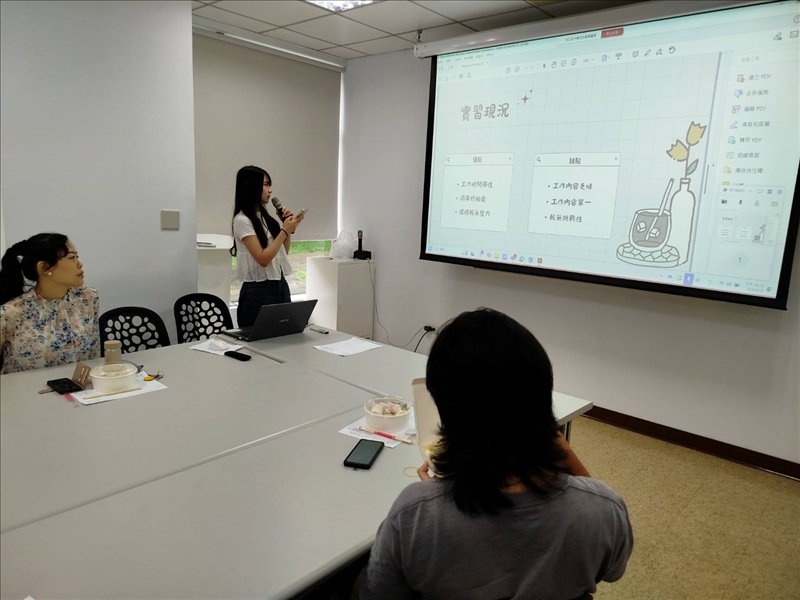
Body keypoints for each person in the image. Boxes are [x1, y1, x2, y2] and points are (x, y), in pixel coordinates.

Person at [360, 308, 633, 600]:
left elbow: (378, 593)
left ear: (443, 408)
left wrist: (434, 500)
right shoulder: (603, 508)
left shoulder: (414, 512)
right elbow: (613, 571)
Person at [0, 233, 100, 374]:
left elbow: (94, 356)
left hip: (77, 386)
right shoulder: (10, 313)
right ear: (45, 267)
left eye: (77, 257)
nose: (79, 264)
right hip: (26, 387)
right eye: (72, 258)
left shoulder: (87, 298)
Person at [231, 165, 304, 328]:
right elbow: (263, 259)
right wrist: (284, 230)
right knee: (260, 339)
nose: (270, 190)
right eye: (265, 185)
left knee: (285, 334)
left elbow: (282, 252)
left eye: (269, 185)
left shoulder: (265, 218)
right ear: (251, 186)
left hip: (279, 285)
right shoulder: (242, 220)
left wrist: (285, 226)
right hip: (257, 291)